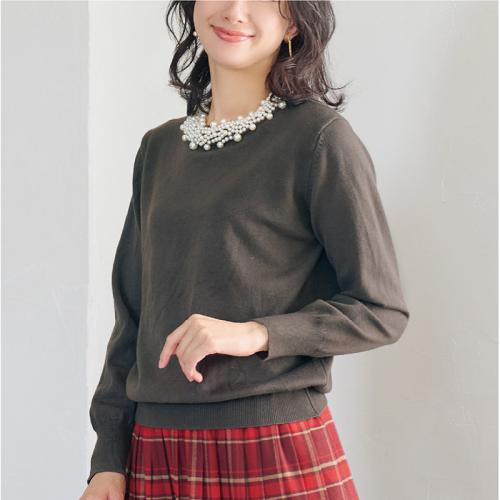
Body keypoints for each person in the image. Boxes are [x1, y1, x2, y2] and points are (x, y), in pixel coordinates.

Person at [80, 1, 410, 499]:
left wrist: (256, 334)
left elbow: (380, 309)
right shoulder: (158, 150)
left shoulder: (318, 140)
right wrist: (107, 456)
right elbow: (132, 317)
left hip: (271, 446)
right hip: (155, 449)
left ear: (292, 21)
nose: (235, 10)